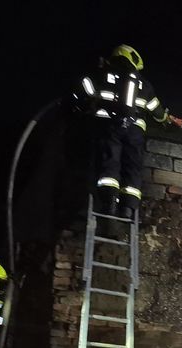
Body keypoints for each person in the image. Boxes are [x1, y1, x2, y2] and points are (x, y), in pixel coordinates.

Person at [72, 44, 168, 219]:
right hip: (135, 131)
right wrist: (164, 118)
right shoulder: (143, 84)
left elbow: (83, 91)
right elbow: (157, 112)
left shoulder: (103, 76)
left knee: (110, 160)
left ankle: (109, 203)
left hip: (110, 127)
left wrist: (78, 105)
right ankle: (128, 208)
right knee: (133, 166)